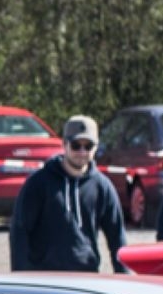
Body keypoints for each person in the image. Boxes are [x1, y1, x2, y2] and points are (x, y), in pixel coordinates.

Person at [9, 114, 126, 273]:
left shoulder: (103, 187)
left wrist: (123, 275)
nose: (82, 152)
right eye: (76, 145)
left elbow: (117, 237)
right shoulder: (39, 183)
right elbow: (20, 231)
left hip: (87, 276)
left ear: (96, 148)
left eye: (88, 146)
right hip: (44, 277)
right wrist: (21, 276)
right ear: (64, 144)